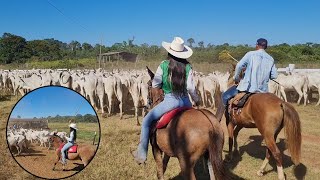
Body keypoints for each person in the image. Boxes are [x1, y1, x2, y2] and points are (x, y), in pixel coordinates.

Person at [132, 37, 200, 164]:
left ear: (170, 52)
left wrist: (161, 85)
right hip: (186, 102)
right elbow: (191, 87)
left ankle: (141, 154)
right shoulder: (188, 66)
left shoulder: (163, 65)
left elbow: (156, 84)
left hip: (170, 101)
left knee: (146, 121)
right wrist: (197, 100)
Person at [222, 38, 278, 107]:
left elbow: (239, 66)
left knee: (224, 96)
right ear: (266, 47)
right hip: (263, 91)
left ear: (257, 45)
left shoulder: (250, 54)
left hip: (248, 89)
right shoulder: (271, 59)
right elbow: (274, 76)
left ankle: (219, 117)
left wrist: (236, 79)